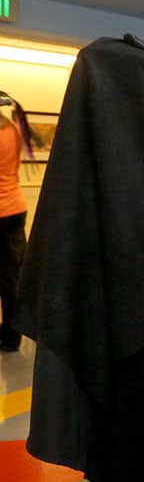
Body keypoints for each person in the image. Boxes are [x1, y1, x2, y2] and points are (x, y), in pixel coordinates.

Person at [0, 91, 29, 352]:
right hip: (15, 208)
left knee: (8, 280)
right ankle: (11, 335)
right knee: (11, 278)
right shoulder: (12, 129)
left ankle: (9, 335)